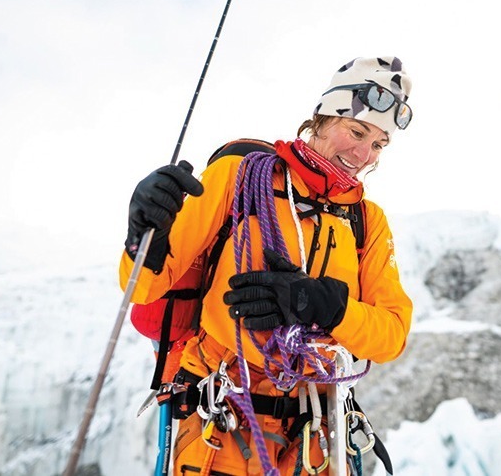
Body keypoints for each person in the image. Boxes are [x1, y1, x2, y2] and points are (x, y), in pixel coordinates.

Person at [120, 57, 414, 475]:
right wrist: (144, 235)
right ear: (324, 119)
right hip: (222, 416)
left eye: (379, 144)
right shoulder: (238, 176)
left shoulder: (366, 221)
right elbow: (143, 288)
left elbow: (392, 335)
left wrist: (328, 307)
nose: (364, 153)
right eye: (357, 131)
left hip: (314, 430)